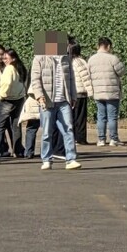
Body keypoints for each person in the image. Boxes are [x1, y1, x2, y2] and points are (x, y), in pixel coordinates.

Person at [29, 35, 82, 171]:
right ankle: (46, 159)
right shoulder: (39, 58)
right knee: (47, 131)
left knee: (68, 129)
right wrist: (40, 96)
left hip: (63, 100)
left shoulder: (66, 58)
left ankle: (71, 159)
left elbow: (71, 78)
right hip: (47, 101)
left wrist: (73, 96)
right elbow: (35, 79)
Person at [87, 37, 126, 147]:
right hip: (112, 92)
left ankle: (101, 139)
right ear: (108, 46)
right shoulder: (113, 59)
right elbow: (122, 71)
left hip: (98, 92)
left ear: (97, 46)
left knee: (101, 116)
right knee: (112, 116)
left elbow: (88, 74)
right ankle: (114, 139)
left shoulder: (91, 59)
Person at [0, 47, 28, 157]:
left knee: (0, 126)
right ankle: (18, 150)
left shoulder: (9, 69)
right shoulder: (20, 68)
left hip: (7, 100)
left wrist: (0, 95)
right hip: (19, 99)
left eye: (6, 58)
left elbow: (6, 83)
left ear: (13, 58)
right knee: (16, 125)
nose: (4, 60)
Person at [69, 41, 92, 146]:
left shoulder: (67, 61)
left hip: (71, 93)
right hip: (80, 92)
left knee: (71, 117)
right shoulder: (80, 62)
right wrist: (90, 92)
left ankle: (72, 137)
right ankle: (80, 138)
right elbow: (86, 78)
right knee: (81, 117)